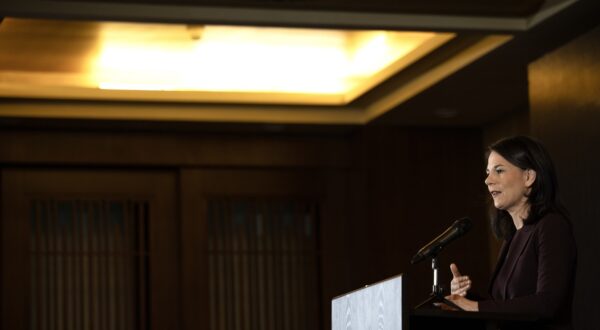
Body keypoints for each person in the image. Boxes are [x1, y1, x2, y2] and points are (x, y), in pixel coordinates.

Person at [445, 136, 577, 330]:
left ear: (529, 177)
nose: (488, 180)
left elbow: (547, 303)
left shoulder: (552, 226)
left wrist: (474, 307)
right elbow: (505, 306)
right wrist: (463, 299)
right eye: (488, 172)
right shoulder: (513, 237)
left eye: (499, 171)